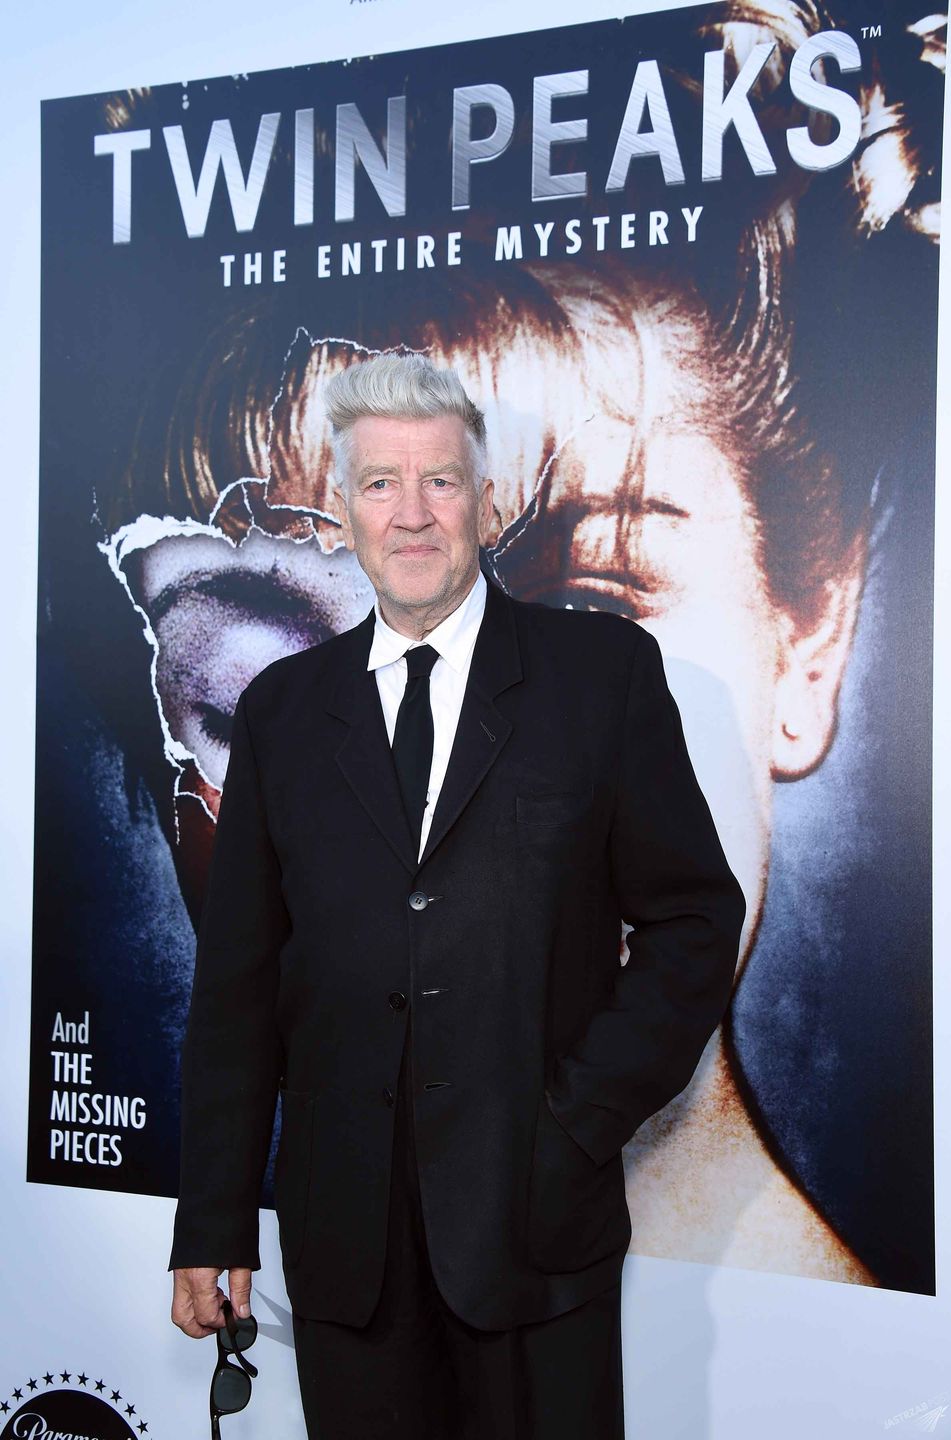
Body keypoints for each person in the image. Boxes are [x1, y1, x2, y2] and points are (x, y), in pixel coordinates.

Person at [168, 351, 745, 1437]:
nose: (413, 513)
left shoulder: (600, 675)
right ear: (344, 507)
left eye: (439, 480)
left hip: (537, 1234)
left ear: (483, 497)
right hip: (346, 1252)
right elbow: (237, 987)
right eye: (380, 483)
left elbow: (693, 921)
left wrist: (578, 1121)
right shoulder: (283, 712)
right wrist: (213, 1218)